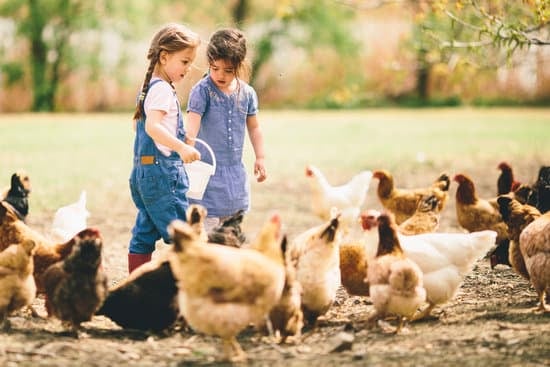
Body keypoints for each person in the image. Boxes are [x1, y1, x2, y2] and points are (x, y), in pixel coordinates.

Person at [128, 23, 201, 273]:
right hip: (162, 177)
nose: (188, 69)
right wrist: (181, 147)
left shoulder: (151, 87)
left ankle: (137, 283)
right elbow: (152, 128)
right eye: (185, 61)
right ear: (164, 56)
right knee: (184, 234)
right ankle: (189, 284)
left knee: (145, 232)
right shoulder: (161, 91)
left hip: (144, 176)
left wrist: (184, 139)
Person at [186, 28, 267, 232]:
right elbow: (192, 126)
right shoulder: (202, 91)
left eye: (228, 70)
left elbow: (255, 128)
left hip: (234, 175)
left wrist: (260, 157)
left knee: (232, 233)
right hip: (206, 174)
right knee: (208, 232)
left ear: (239, 66)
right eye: (215, 68)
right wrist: (186, 148)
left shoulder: (247, 94)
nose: (220, 75)